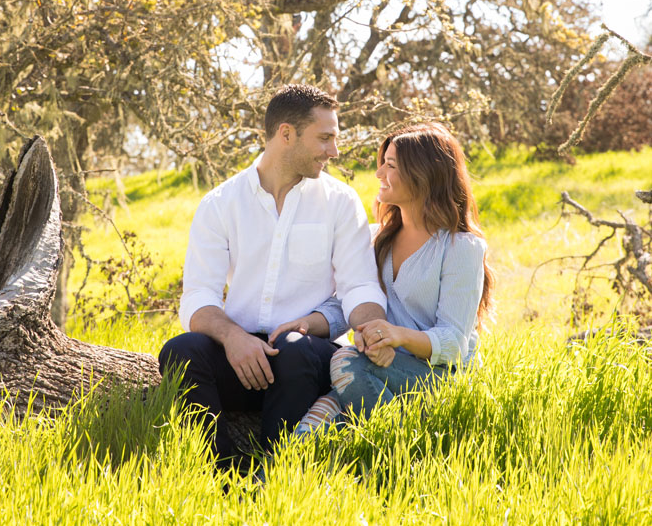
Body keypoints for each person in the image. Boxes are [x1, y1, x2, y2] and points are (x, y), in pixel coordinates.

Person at [158, 83, 387, 469]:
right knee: (179, 352)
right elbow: (198, 297)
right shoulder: (220, 204)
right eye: (325, 138)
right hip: (241, 357)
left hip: (306, 360)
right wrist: (234, 338)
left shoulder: (340, 202)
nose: (334, 151)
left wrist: (372, 329)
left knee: (294, 346)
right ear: (286, 134)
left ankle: (276, 472)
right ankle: (224, 472)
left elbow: (359, 285)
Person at [294, 121, 494, 434]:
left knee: (346, 362)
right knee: (314, 425)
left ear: (424, 173)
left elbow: (454, 341)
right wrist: (306, 323)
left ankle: (403, 443)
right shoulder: (375, 239)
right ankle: (263, 481)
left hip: (438, 377)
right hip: (377, 367)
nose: (378, 174)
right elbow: (349, 300)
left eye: (390, 165)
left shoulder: (461, 248)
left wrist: (397, 336)